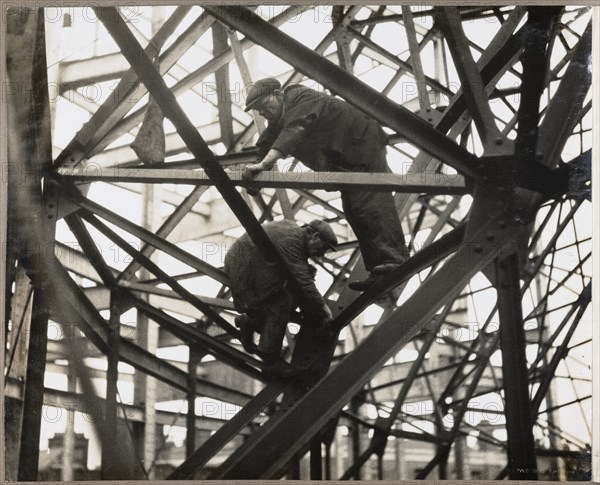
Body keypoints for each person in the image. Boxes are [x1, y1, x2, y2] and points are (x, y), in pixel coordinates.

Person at [241, 78, 410, 290]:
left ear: (279, 94)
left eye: (264, 105)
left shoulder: (301, 98)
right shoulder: (279, 118)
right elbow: (266, 143)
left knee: (370, 205)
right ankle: (380, 268)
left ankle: (394, 261)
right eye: (258, 110)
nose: (262, 112)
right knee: (355, 211)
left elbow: (296, 128)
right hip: (346, 162)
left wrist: (264, 164)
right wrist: (257, 173)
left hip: (363, 149)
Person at [224, 219, 337, 376]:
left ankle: (252, 321)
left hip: (247, 263)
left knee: (304, 278)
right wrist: (325, 311)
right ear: (314, 236)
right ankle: (270, 361)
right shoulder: (292, 242)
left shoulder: (293, 229)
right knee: (282, 301)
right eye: (323, 248)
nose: (322, 254)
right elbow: (303, 280)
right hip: (245, 272)